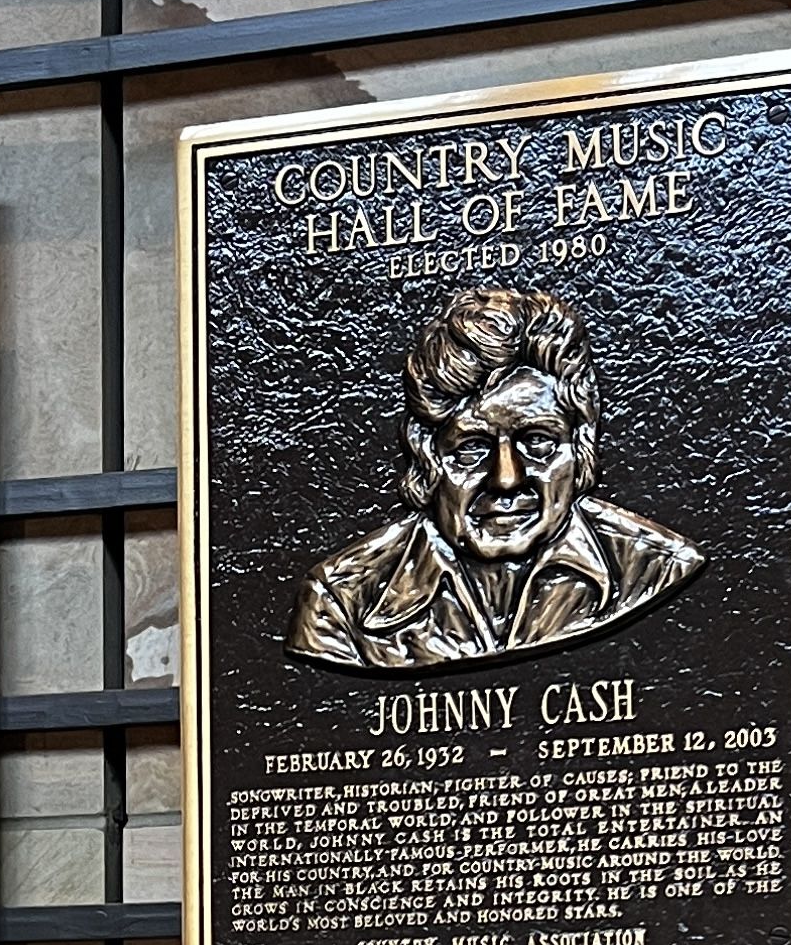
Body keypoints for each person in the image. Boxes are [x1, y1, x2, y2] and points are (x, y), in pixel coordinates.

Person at [288, 282, 703, 671]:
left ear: (580, 449)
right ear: (427, 458)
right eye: (471, 449)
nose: (506, 479)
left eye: (538, 442)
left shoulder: (657, 570)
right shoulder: (341, 605)